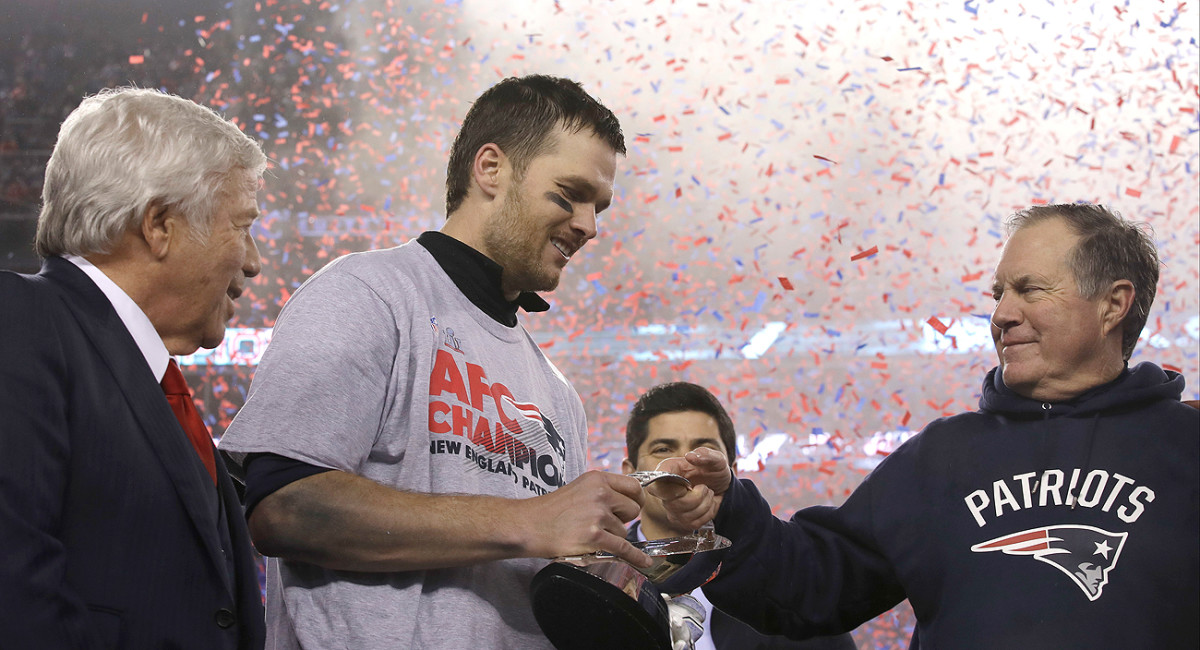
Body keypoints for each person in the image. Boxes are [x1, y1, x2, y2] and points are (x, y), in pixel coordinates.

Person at [218, 74, 652, 650]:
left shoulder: (558, 397)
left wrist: (649, 553)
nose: (589, 226)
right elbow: (284, 508)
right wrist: (530, 521)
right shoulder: (366, 293)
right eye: (569, 193)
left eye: (599, 207)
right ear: (490, 168)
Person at [656, 204, 1200, 649]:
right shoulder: (942, 457)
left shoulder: (1187, 448)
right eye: (999, 293)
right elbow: (813, 584)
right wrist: (726, 510)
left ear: (1113, 305)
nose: (1002, 315)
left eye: (1031, 289)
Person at [0, 87, 268, 648]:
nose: (253, 262)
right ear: (159, 224)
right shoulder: (19, 323)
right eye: (242, 226)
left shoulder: (147, 380)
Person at [623, 382, 858, 650]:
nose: (681, 466)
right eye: (663, 449)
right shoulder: (597, 577)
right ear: (630, 472)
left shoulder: (794, 588)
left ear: (730, 472)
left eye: (702, 451)